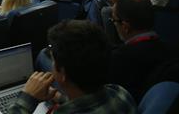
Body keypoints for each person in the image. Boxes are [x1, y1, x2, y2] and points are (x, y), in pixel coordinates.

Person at [9, 20, 137, 114]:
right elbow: (89, 103)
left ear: (63, 73)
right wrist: (60, 98)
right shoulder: (120, 93)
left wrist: (27, 99)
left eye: (53, 61)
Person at [109, 0, 175, 102]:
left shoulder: (118, 59)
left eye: (114, 20)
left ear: (125, 27)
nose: (114, 24)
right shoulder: (172, 51)